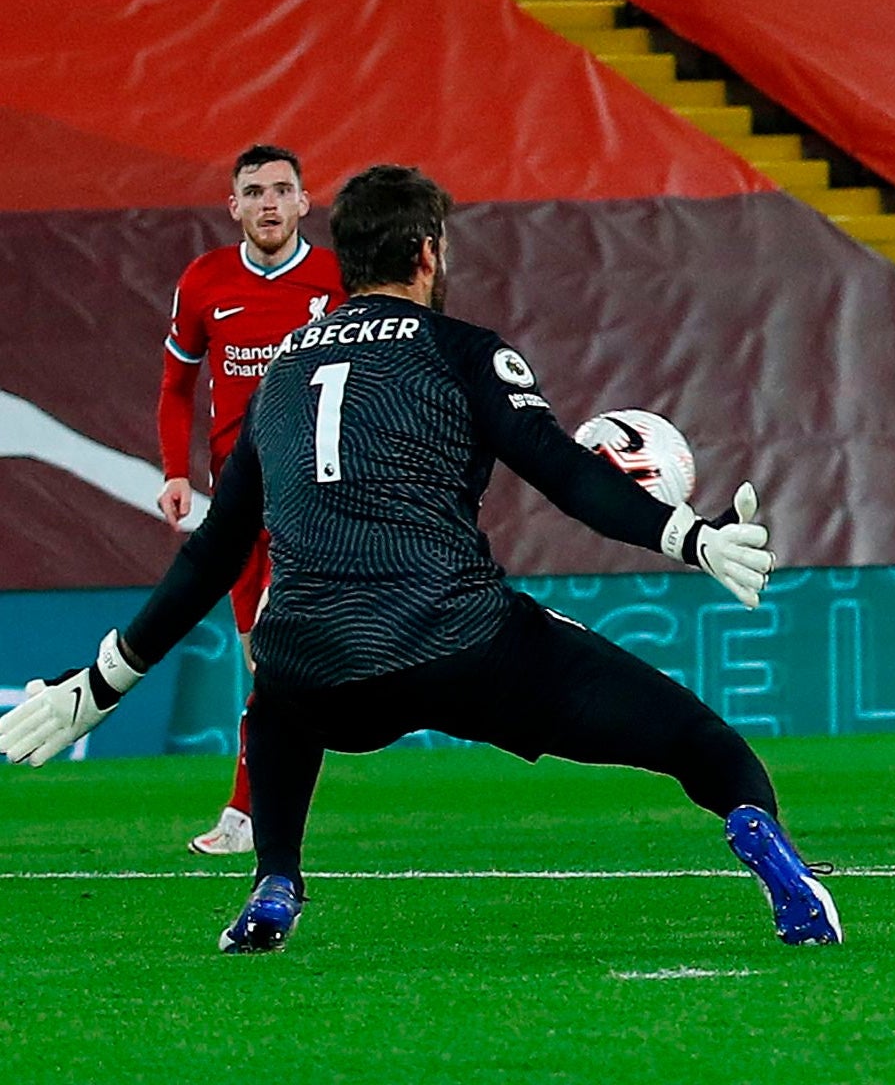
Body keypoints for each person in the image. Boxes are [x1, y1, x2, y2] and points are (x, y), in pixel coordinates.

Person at [3, 165, 838, 951]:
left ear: (346, 259)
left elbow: (217, 549)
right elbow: (563, 471)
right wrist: (688, 536)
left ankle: (275, 882)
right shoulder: (462, 349)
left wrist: (106, 679)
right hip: (463, 643)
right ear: (428, 251)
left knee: (281, 692)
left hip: (322, 667)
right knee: (701, 741)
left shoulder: (281, 374)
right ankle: (767, 848)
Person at [158, 145, 346, 857]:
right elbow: (177, 386)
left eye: (282, 190)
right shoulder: (204, 281)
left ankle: (248, 817)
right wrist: (177, 472)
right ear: (233, 206)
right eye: (255, 191)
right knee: (265, 665)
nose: (269, 202)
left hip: (314, 498)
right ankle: (256, 807)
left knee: (280, 656)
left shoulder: (336, 281)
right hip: (239, 506)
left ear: (304, 202)